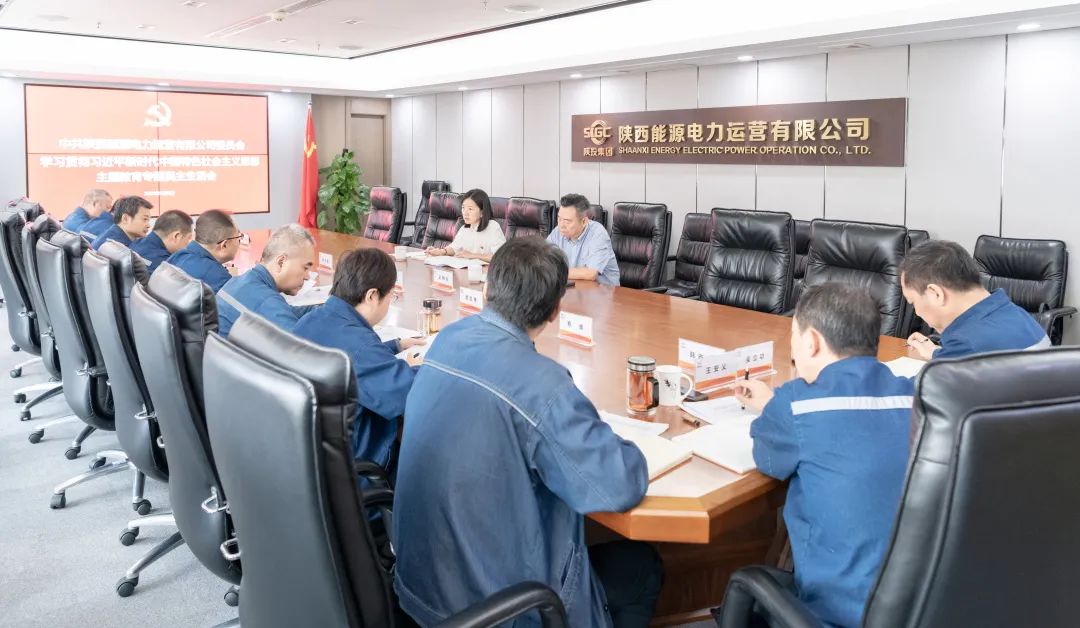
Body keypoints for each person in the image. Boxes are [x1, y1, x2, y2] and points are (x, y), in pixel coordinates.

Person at [394, 237, 661, 628]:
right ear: (555, 310)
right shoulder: (545, 387)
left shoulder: (447, 339)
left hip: (420, 593)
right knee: (642, 567)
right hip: (504, 609)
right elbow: (618, 485)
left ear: (488, 287)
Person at [732, 283, 914, 628]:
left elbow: (768, 460)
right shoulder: (915, 395)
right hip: (919, 605)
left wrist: (774, 408)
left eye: (793, 338)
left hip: (839, 613)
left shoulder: (795, 404)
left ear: (812, 342)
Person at [293, 249, 425, 473]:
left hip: (311, 455)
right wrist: (428, 364)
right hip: (356, 464)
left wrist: (395, 346)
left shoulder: (311, 320)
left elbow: (347, 356)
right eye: (391, 296)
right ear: (372, 295)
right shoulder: (361, 348)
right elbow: (412, 394)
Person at [901, 240, 1049, 360]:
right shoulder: (1018, 315)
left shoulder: (966, 344)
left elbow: (919, 388)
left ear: (936, 294)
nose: (917, 312)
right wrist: (939, 354)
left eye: (913, 302)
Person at [216, 224, 318, 338]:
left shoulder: (238, 282)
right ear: (281, 262)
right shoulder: (266, 301)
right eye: (305, 268)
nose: (307, 277)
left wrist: (326, 309)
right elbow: (302, 344)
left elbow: (286, 311)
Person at [546, 193, 620, 286]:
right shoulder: (558, 232)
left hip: (605, 291)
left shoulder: (598, 234)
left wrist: (554, 272)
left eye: (567, 221)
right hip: (574, 288)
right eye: (559, 218)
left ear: (584, 221)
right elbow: (543, 260)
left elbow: (590, 273)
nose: (561, 225)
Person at [167, 210, 243, 292]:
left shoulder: (177, 257)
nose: (239, 241)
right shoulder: (218, 278)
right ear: (224, 245)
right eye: (238, 237)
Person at [424, 188, 505, 261]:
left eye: (470, 209)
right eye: (463, 208)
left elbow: (500, 257)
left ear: (482, 212)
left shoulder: (493, 227)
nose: (465, 213)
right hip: (465, 269)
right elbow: (454, 248)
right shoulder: (465, 228)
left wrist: (473, 255)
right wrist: (441, 251)